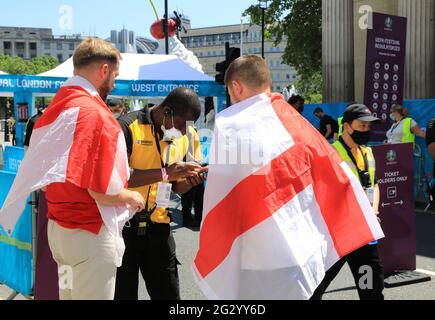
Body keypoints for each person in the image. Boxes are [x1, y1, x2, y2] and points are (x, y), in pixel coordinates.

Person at [44, 38, 146, 300]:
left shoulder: (56, 108)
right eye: (114, 75)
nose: (113, 83)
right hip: (89, 231)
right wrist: (133, 197)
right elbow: (101, 191)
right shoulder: (96, 114)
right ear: (103, 70)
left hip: (59, 228)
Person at [114, 88, 207, 300]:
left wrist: (190, 181)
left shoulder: (189, 135)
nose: (184, 132)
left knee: (169, 296)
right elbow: (117, 179)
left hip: (159, 227)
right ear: (166, 112)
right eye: (181, 124)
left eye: (189, 126)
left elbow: (177, 187)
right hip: (123, 227)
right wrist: (165, 172)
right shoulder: (127, 127)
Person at [311, 104, 385, 300]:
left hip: (363, 236)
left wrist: (373, 210)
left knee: (371, 290)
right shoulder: (330, 153)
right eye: (362, 126)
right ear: (347, 127)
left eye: (368, 127)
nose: (366, 131)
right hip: (336, 236)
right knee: (314, 288)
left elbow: (374, 184)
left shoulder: (367, 152)